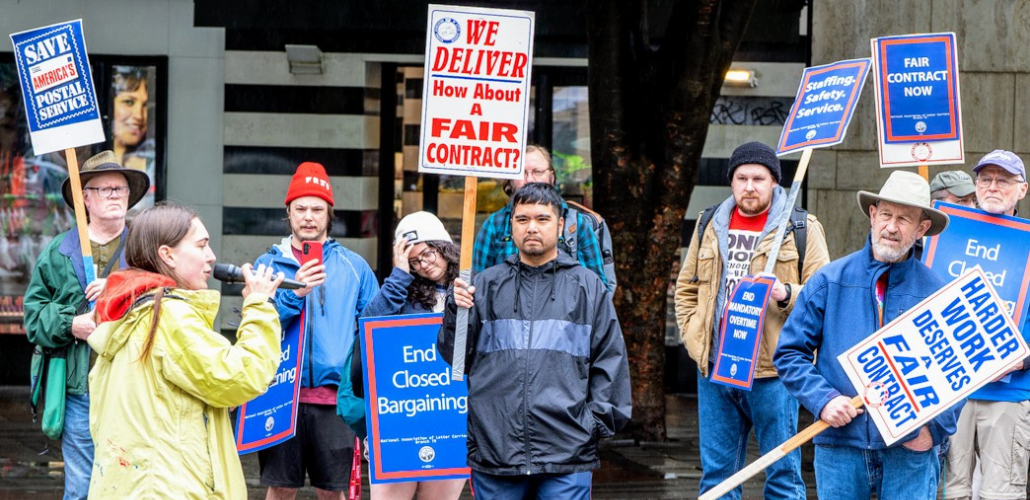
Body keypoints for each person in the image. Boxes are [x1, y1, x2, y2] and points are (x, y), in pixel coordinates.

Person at [439, 182, 631, 499]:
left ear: (559, 224)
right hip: (496, 451)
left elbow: (611, 361)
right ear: (510, 226)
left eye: (542, 219)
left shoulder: (588, 287)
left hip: (567, 454)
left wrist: (591, 428)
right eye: (522, 219)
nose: (532, 227)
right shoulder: (483, 285)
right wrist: (455, 311)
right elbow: (455, 357)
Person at [775, 170, 960, 499]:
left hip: (911, 449)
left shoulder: (939, 292)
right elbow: (790, 354)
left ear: (922, 229)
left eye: (905, 219)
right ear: (872, 215)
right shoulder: (829, 281)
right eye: (886, 214)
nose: (892, 226)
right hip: (839, 444)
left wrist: (934, 430)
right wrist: (824, 400)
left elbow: (961, 370)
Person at [86, 203, 283, 499]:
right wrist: (259, 306)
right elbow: (243, 376)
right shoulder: (170, 316)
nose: (211, 256)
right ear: (167, 254)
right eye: (201, 245)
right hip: (168, 488)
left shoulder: (131, 311)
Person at [674, 141, 830, 499]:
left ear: (774, 181)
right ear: (731, 181)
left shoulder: (802, 227)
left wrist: (785, 293)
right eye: (741, 177)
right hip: (716, 367)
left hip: (773, 373)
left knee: (783, 476)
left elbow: (824, 295)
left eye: (758, 178)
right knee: (717, 478)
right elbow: (687, 287)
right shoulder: (709, 222)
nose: (749, 186)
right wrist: (693, 336)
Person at [23, 150, 149, 500]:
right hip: (81, 391)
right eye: (105, 189)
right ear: (86, 200)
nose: (114, 195)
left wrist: (121, 287)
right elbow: (33, 316)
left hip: (134, 388)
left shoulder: (147, 247)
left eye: (120, 189)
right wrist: (70, 323)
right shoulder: (59, 250)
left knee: (131, 486)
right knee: (80, 489)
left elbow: (169, 297)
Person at [256, 161, 380, 500]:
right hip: (281, 395)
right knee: (280, 488)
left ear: (329, 214)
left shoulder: (355, 267)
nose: (308, 216)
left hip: (334, 401)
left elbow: (372, 331)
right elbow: (255, 322)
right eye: (300, 208)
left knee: (333, 492)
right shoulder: (267, 265)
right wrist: (296, 295)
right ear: (288, 213)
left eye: (316, 208)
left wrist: (359, 391)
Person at [357, 210, 466, 499]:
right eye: (415, 260)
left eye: (428, 254)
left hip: (450, 417)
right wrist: (400, 275)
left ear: (444, 246)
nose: (424, 264)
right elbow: (369, 329)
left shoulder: (472, 285)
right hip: (400, 418)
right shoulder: (402, 291)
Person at [943, 150, 1030, 500]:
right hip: (950, 392)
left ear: (1022, 189)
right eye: (985, 179)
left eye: (1004, 180)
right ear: (976, 185)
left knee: (1001, 494)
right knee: (949, 492)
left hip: (1009, 394)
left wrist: (1021, 359)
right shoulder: (946, 235)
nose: (993, 187)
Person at [473, 144, 613, 291]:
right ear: (511, 181)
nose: (529, 180)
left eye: (537, 172)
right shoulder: (495, 224)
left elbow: (597, 293)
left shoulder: (577, 225)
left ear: (552, 177)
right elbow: (478, 289)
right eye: (521, 173)